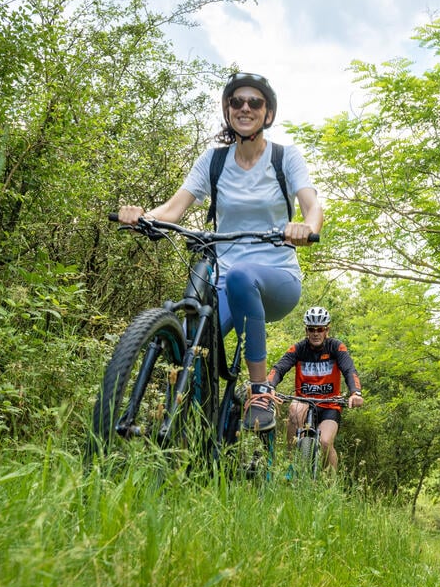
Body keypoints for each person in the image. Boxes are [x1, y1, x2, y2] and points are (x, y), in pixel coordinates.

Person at [117, 72, 323, 432]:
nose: (245, 108)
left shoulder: (285, 157)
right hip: (224, 280)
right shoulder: (213, 162)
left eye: (254, 102)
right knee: (189, 337)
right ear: (228, 110)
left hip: (277, 280)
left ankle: (259, 391)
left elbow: (312, 204)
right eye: (236, 102)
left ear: (268, 114)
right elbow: (173, 208)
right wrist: (142, 216)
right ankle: (194, 421)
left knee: (244, 275)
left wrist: (307, 227)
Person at [267, 306, 364, 471]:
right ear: (306, 330)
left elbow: (349, 370)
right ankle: (290, 465)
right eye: (312, 329)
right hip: (304, 401)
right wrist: (269, 386)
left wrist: (355, 392)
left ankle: (330, 484)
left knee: (325, 442)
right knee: (294, 410)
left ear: (327, 329)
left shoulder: (336, 347)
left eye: (320, 329)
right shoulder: (298, 349)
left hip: (329, 405)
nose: (316, 333)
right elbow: (279, 368)